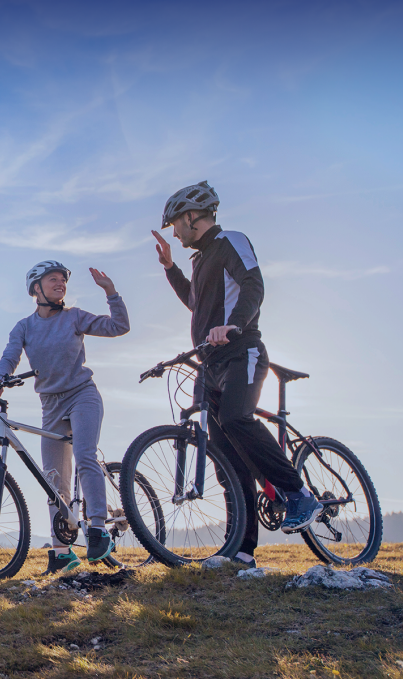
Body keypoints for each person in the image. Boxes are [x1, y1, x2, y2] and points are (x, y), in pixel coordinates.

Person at [151, 180, 324, 568]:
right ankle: (243, 550)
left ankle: (299, 494)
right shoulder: (198, 261)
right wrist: (170, 269)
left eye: (175, 224)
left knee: (236, 420)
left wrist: (235, 325)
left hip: (241, 352)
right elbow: (196, 304)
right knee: (227, 457)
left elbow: (253, 284)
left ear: (192, 216)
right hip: (209, 363)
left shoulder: (230, 241)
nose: (174, 232)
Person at [0, 260, 130, 574]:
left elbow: (119, 327)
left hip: (82, 395)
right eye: (53, 279)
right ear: (36, 288)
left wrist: (111, 293)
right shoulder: (24, 327)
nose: (61, 283)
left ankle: (99, 528)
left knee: (84, 454)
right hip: (51, 405)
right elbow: (10, 355)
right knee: (53, 480)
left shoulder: (74, 317)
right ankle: (62, 552)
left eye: (63, 279)